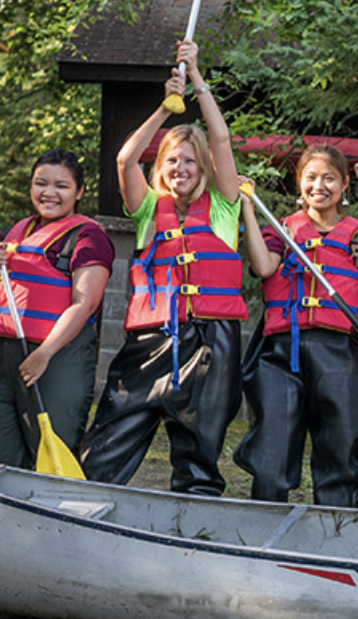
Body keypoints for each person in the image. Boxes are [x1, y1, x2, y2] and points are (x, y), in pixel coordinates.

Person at [80, 41, 245, 496]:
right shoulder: (150, 210)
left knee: (198, 447)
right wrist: (164, 106)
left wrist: (197, 81)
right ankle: (86, 501)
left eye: (190, 161)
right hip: (151, 339)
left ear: (204, 168)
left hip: (211, 340)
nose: (181, 168)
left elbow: (222, 140)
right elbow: (124, 159)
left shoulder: (224, 208)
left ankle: (194, 518)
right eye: (172, 159)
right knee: (112, 432)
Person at [234, 144, 358, 507]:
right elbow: (264, 267)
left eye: (330, 178)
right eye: (311, 177)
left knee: (339, 444)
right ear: (299, 182)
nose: (320, 186)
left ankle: (333, 526)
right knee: (273, 442)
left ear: (345, 184)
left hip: (343, 353)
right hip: (281, 352)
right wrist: (248, 209)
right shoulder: (282, 230)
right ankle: (266, 517)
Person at [0, 150, 113, 470]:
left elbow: (84, 303)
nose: (49, 193)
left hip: (57, 359)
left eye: (61, 186)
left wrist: (45, 353)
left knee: (47, 457)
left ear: (79, 192)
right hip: (4, 360)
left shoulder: (88, 237)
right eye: (40, 183)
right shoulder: (14, 233)